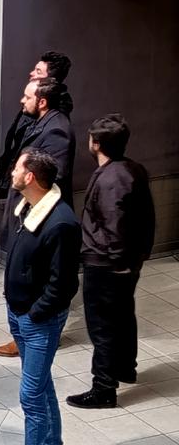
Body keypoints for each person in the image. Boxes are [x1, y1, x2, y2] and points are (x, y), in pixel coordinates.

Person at [0, 150, 80, 445]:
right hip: (21, 314)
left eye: (18, 167)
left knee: (30, 396)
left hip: (38, 321)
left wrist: (35, 313)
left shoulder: (60, 222)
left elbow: (63, 285)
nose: (13, 171)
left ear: (30, 176)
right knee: (41, 383)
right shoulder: (29, 207)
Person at [67, 115, 155, 410]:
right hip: (127, 261)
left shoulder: (110, 179)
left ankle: (104, 388)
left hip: (106, 263)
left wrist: (118, 260)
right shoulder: (133, 169)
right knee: (123, 314)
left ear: (97, 143)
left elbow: (113, 224)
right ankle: (125, 368)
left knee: (102, 326)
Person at [0, 76, 77, 357]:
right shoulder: (36, 122)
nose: (21, 101)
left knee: (32, 389)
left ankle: (30, 332)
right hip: (25, 209)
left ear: (42, 101)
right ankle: (22, 332)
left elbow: (53, 173)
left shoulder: (57, 131)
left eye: (27, 97)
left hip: (36, 215)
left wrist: (37, 313)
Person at [0, 52, 72, 199]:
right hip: (19, 191)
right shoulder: (33, 111)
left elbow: (52, 178)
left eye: (38, 72)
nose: (31, 74)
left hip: (31, 199)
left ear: (50, 81)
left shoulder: (56, 130)